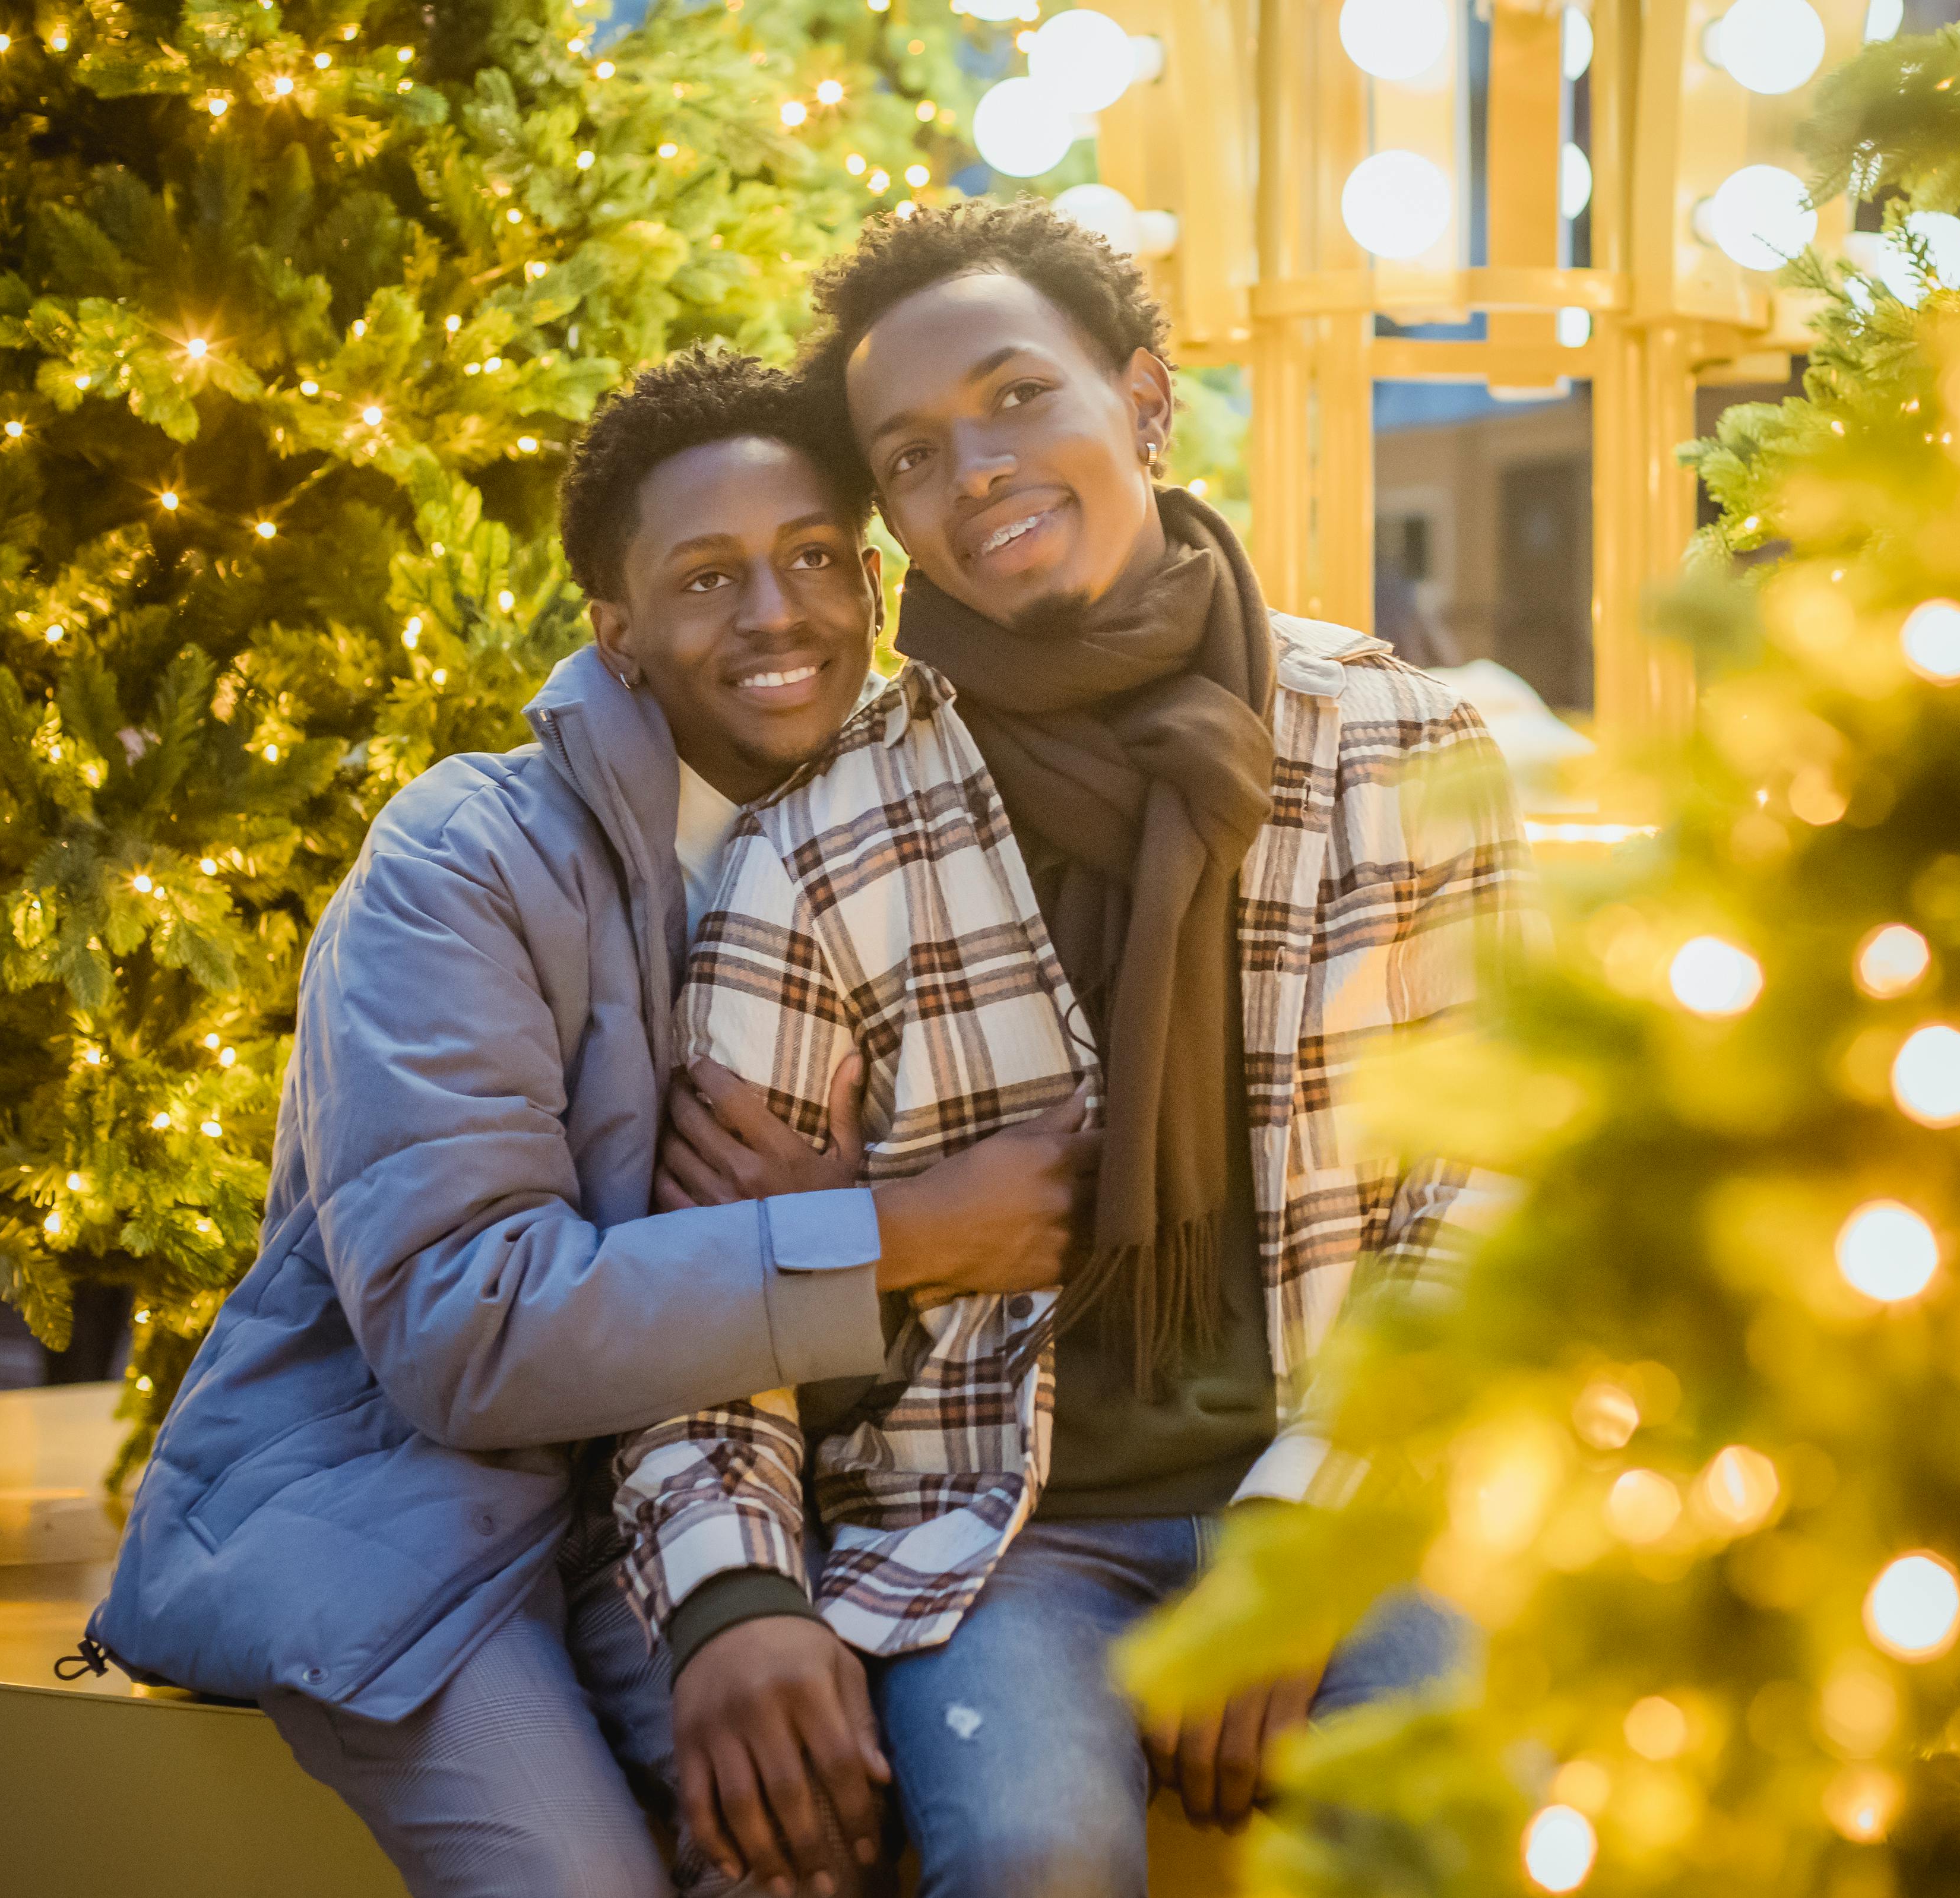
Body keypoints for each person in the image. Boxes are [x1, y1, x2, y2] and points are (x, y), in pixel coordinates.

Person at [84, 347, 1095, 1898]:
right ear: (614, 634)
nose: (777, 612)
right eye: (706, 577)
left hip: (706, 1504)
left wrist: (845, 1265)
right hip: (416, 1506)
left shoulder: (905, 855)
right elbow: (460, 1324)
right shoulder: (462, 860)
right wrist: (890, 1232)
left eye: (815, 555)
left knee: (811, 1838)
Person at [626, 200, 1528, 1898]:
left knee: (1448, 1833)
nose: (973, 464)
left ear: (1143, 396)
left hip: (1350, 1488)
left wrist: (1310, 1517)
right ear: (889, 515)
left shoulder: (1398, 740)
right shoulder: (819, 846)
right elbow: (705, 1303)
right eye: (909, 452)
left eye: (1017, 395)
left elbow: (1491, 1192)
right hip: (991, 1536)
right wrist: (731, 1595)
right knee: (1033, 1853)